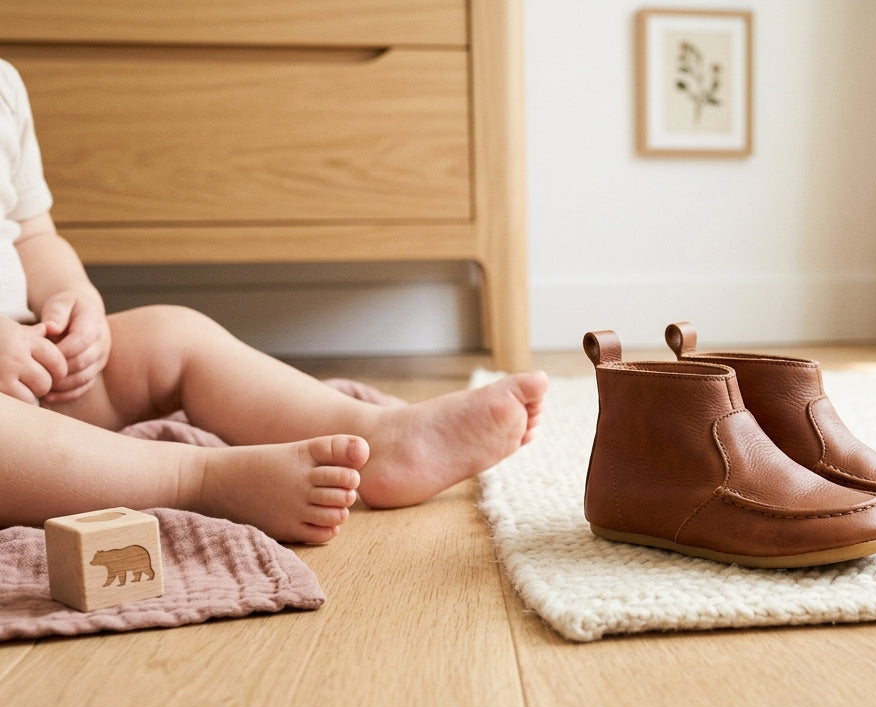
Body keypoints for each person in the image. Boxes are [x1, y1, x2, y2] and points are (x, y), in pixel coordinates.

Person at [0, 59, 548, 544]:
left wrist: (72, 298)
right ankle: (198, 480)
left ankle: (379, 439)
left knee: (174, 335)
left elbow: (32, 236)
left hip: (35, 367)